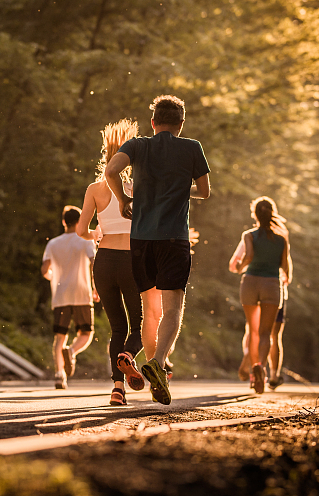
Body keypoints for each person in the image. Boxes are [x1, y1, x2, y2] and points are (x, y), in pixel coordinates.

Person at [104, 95, 210, 405]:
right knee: (173, 306)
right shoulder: (192, 148)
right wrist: (178, 187)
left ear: (153, 123)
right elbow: (204, 192)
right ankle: (158, 362)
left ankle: (150, 366)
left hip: (140, 241)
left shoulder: (137, 145)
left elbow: (111, 171)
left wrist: (123, 200)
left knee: (150, 309)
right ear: (181, 123)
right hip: (173, 239)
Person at [76, 119, 144, 406]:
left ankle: (118, 388)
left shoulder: (94, 188)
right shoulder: (137, 186)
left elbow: (81, 231)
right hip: (131, 260)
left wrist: (97, 234)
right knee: (137, 326)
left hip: (103, 261)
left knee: (116, 327)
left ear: (105, 155)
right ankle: (128, 356)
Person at [228, 196, 292, 394]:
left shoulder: (248, 235)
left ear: (254, 214)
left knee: (252, 330)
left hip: (250, 282)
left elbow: (247, 257)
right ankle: (260, 368)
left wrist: (239, 267)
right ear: (272, 213)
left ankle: (252, 366)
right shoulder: (281, 239)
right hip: (271, 284)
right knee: (266, 333)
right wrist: (286, 278)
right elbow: (286, 266)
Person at [42, 206, 97, 390]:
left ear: (64, 222)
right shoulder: (86, 241)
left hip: (61, 294)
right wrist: (96, 288)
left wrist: (55, 276)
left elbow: (44, 271)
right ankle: (72, 351)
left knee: (59, 337)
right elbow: (93, 264)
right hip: (82, 293)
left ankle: (59, 375)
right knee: (86, 333)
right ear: (80, 221)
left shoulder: (53, 244)